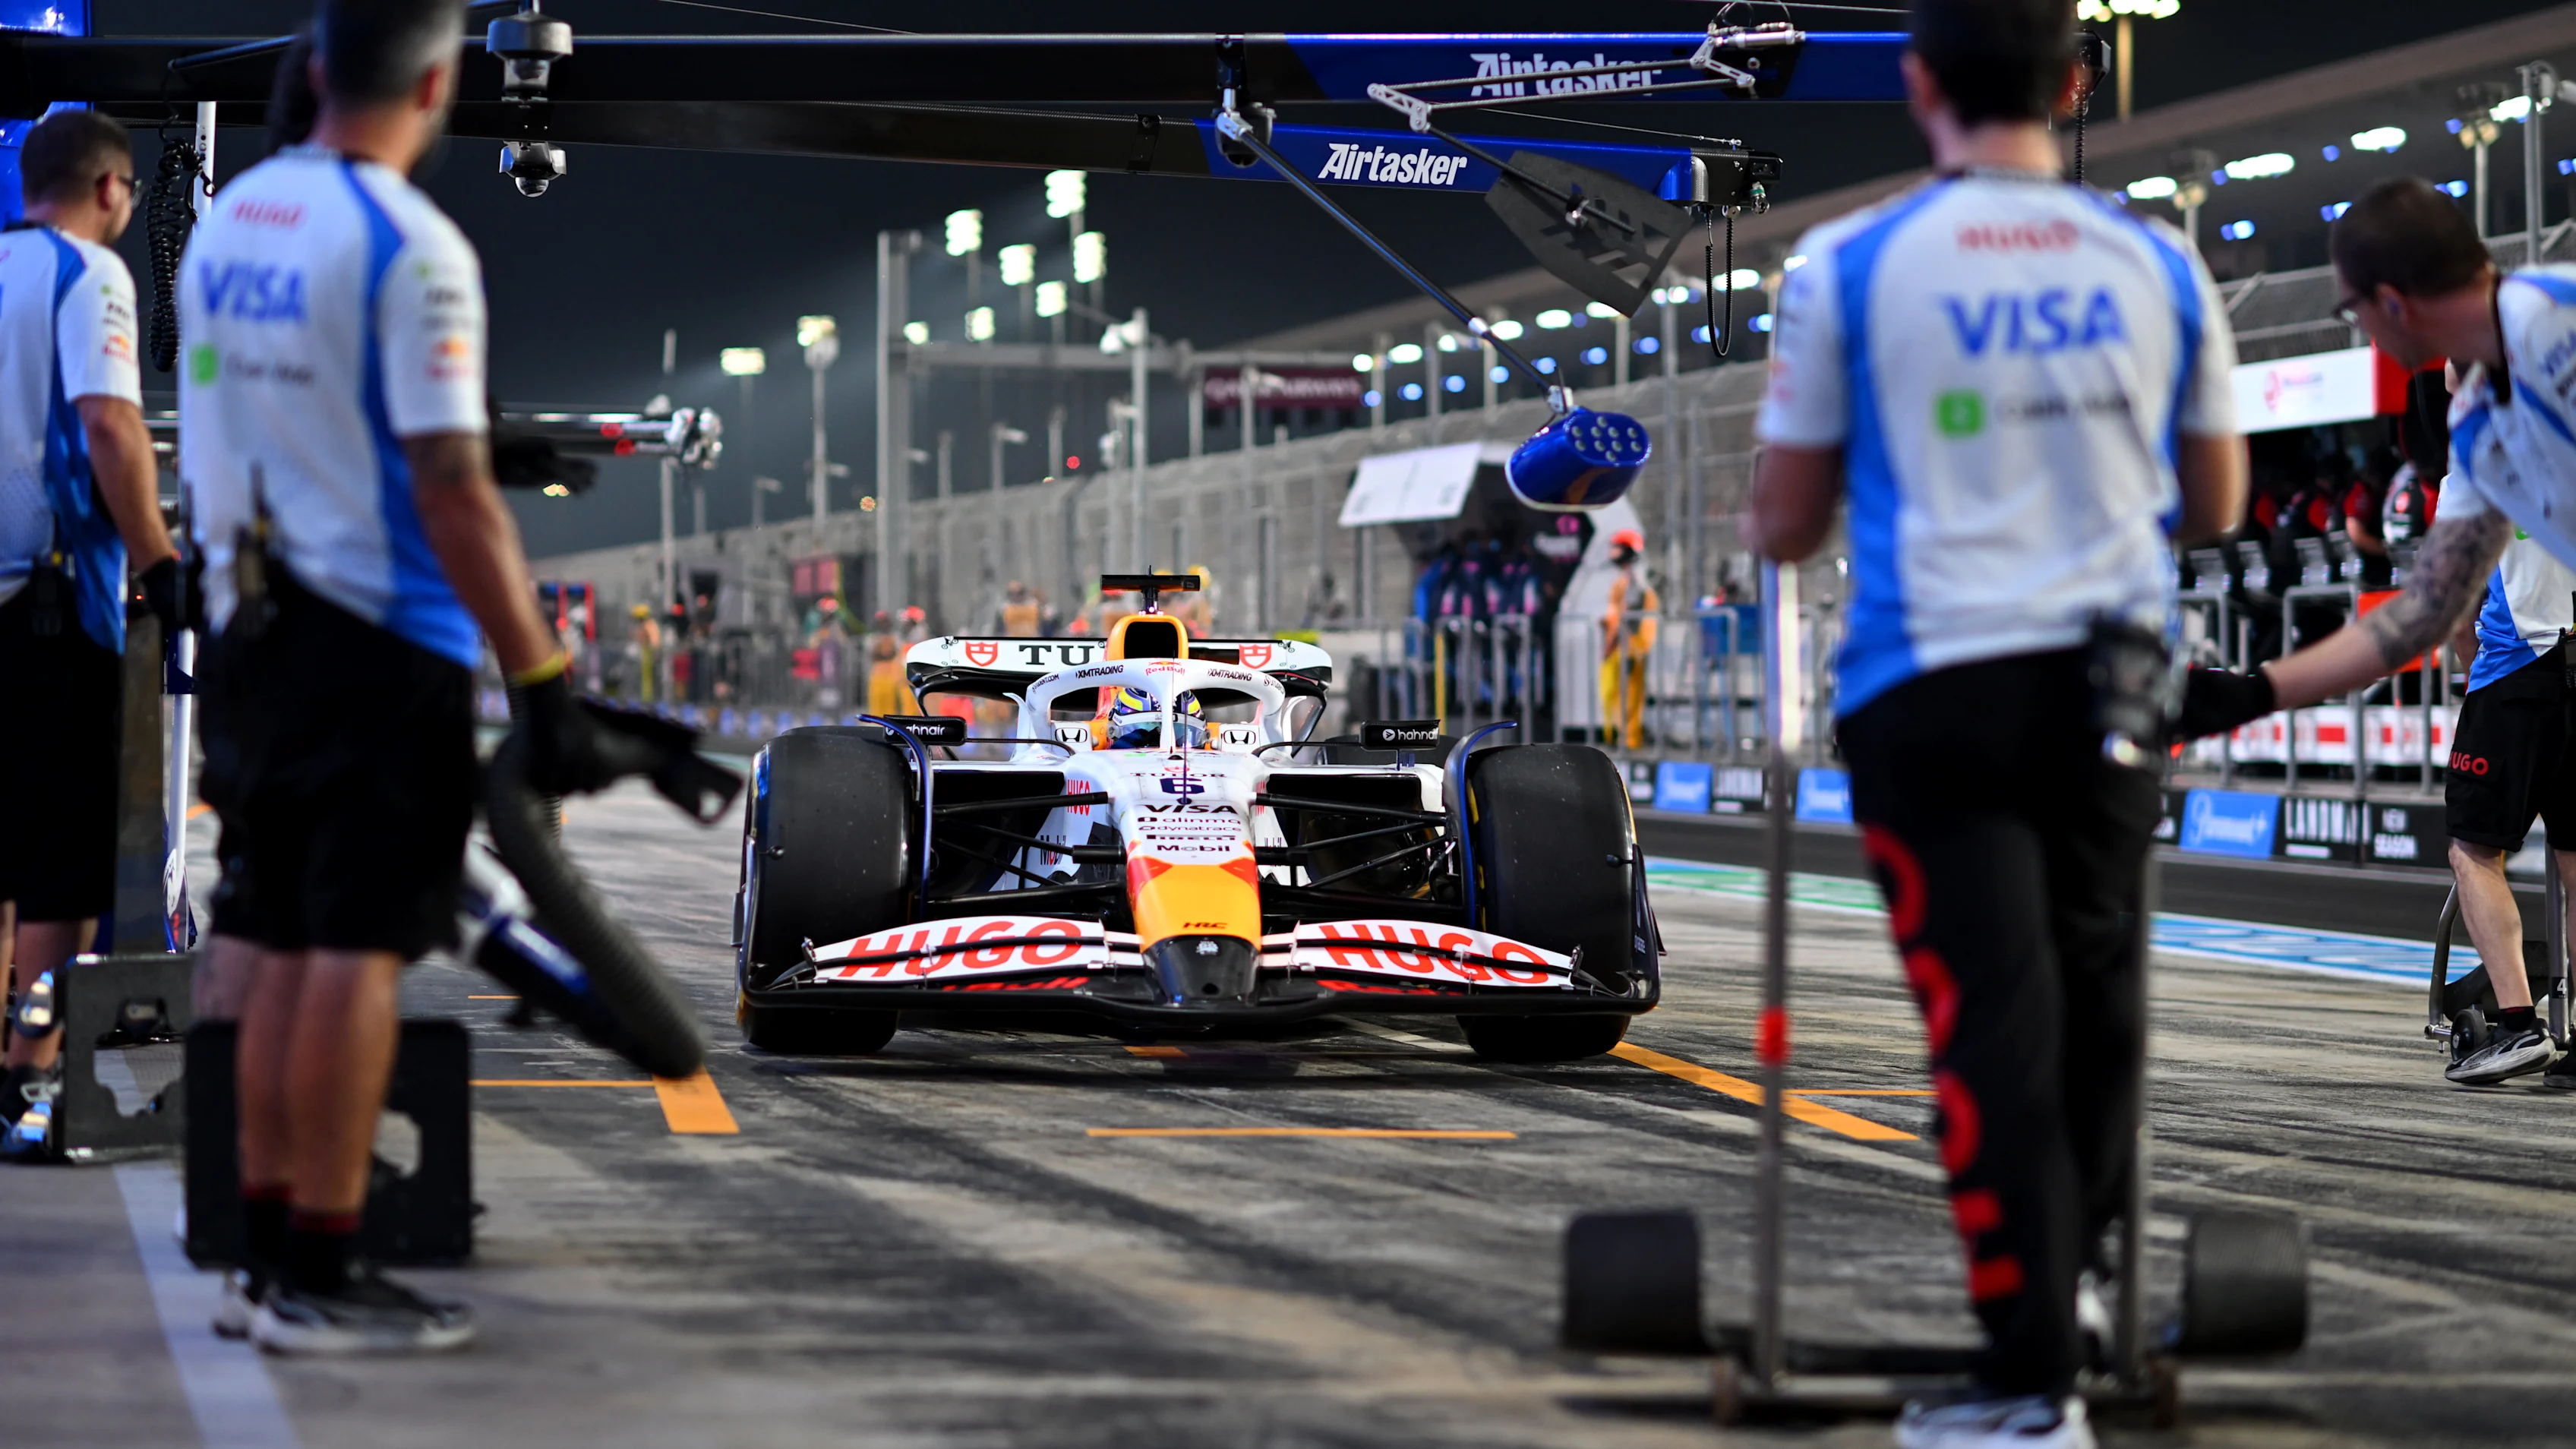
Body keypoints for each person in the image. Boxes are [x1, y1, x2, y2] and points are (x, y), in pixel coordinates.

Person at [1745, 1, 2246, 1443]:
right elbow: (2213, 507)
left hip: (1931, 685)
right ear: (2075, 81)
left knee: (1991, 1025)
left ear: (1916, 85)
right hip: (2107, 684)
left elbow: (1784, 522)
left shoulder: (1847, 261)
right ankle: (2071, 1292)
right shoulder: (2158, 259)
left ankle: (2026, 1369)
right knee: (2098, 1002)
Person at [180, 0, 615, 1354]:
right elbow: (452, 486)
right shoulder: (412, 244)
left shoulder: (232, 222)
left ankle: (255, 1253)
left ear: (314, 67)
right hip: (373, 639)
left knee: (255, 932)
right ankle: (321, 1264)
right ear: (438, 80)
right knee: (350, 955)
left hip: (246, 628)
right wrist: (542, 672)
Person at [2180, 178, 2576, 763]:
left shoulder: (2559, 317)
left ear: (2391, 302)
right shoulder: (2476, 426)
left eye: (2351, 310)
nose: (2360, 330)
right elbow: (2425, 610)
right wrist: (2250, 693)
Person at [0, 109, 183, 1157]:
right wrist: (159, 562)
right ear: (114, 189)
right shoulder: (90, 276)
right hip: (52, 606)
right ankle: (25, 1075)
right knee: (60, 866)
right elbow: (111, 424)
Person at [2439, 532, 2576, 1084]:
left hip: (2515, 673)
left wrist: (2476, 672)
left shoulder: (2479, 464)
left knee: (2473, 849)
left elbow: (2454, 598)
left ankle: (2518, 1024)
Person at [1597, 527, 1658, 750]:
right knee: (1615, 694)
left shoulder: (1634, 579)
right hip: (1624, 647)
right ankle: (1620, 739)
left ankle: (1628, 743)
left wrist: (1612, 642)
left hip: (1629, 647)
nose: (1612, 552)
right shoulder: (1627, 577)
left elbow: (1628, 617)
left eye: (1616, 547)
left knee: (1627, 696)